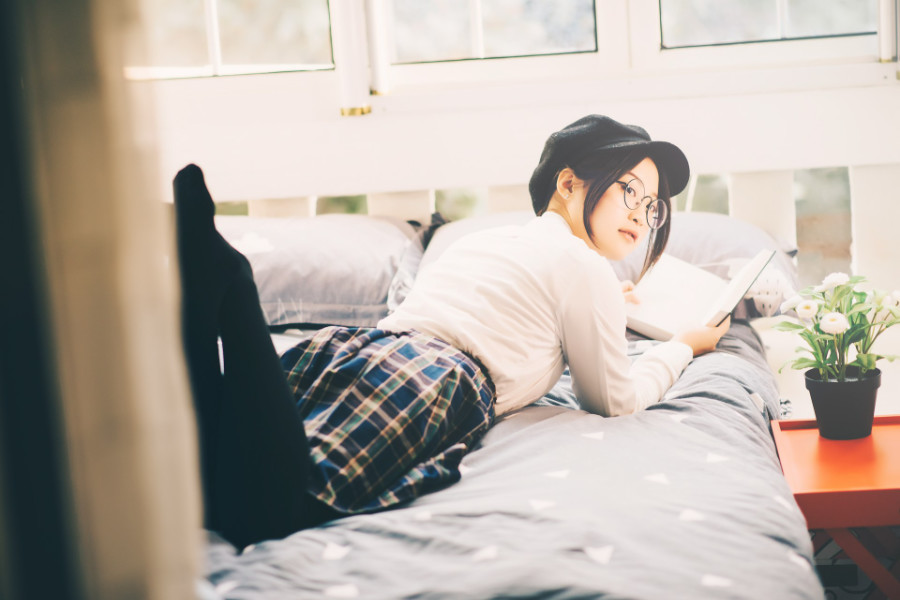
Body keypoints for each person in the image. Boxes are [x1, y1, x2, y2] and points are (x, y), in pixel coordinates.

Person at [174, 114, 729, 550]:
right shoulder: (587, 272)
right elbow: (615, 399)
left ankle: (206, 315)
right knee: (279, 505)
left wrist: (614, 302)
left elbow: (519, 302)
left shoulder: (487, 244)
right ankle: (238, 291)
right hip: (429, 381)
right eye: (629, 190)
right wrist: (682, 346)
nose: (642, 213)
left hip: (356, 350)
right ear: (568, 183)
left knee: (213, 468)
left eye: (652, 205)